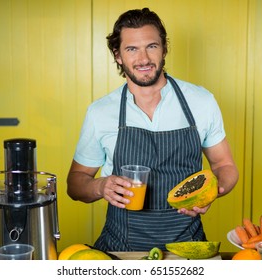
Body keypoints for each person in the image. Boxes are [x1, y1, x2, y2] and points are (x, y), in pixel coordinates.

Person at [67, 7, 239, 251]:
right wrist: (99, 186)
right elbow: (75, 184)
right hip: (121, 249)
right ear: (118, 55)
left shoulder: (201, 101)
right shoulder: (101, 112)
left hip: (187, 250)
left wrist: (212, 193)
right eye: (131, 49)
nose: (144, 59)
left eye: (152, 46)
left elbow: (225, 166)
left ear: (164, 48)